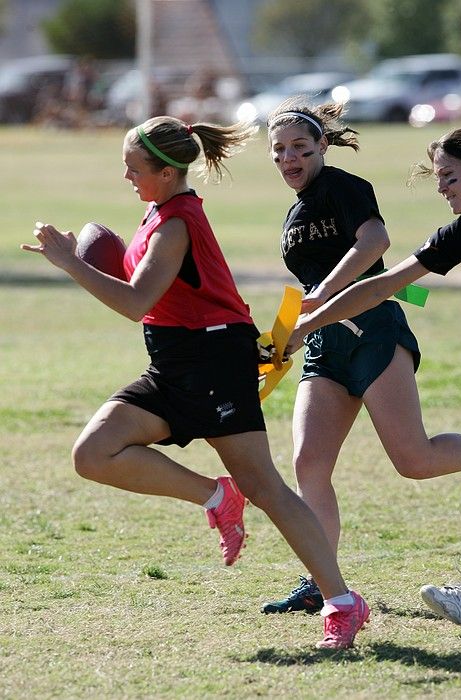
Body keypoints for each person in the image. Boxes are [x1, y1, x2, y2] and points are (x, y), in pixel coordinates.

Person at [21, 115, 369, 649]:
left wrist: (72, 263)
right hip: (172, 361)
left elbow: (136, 302)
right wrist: (92, 258)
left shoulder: (176, 222)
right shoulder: (156, 212)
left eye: (133, 168)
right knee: (93, 453)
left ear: (164, 172)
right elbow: (148, 295)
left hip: (214, 360)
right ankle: (215, 497)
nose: (127, 177)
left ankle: (342, 602)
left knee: (267, 488)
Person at [260, 100, 461, 616]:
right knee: (308, 461)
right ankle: (321, 581)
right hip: (326, 343)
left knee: (414, 459)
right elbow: (348, 288)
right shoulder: (295, 212)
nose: (290, 158)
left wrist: (319, 300)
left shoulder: (344, 187)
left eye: (300, 148)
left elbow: (376, 244)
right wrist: (285, 334)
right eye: (279, 150)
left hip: (372, 333)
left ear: (322, 146)